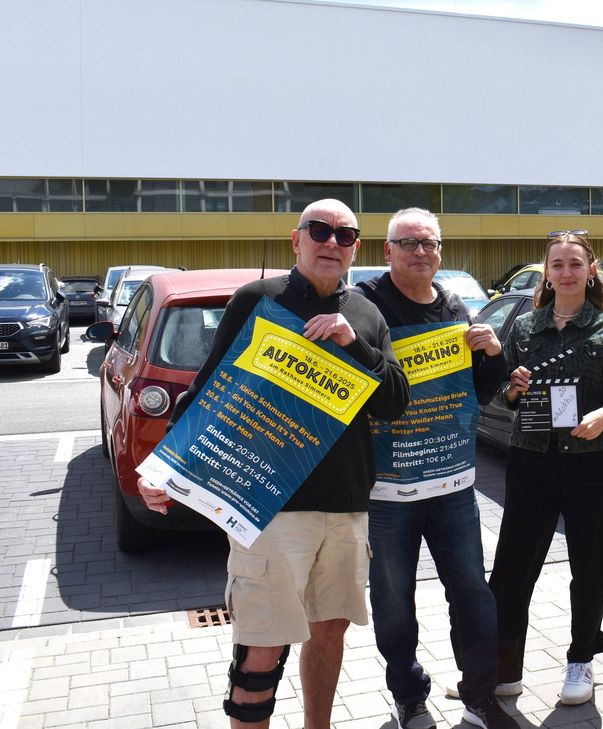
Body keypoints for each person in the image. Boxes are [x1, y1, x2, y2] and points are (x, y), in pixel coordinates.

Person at [136, 199, 410, 729]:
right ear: (296, 239)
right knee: (261, 649)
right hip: (269, 507)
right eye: (319, 230)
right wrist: (161, 470)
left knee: (329, 632)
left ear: (356, 248)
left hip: (347, 507)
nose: (331, 242)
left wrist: (352, 343)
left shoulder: (367, 315)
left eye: (345, 235)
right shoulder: (258, 300)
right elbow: (209, 389)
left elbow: (394, 402)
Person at [355, 208, 517, 729]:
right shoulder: (364, 305)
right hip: (388, 490)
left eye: (429, 243)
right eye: (409, 243)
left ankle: (479, 695)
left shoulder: (453, 306)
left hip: (452, 485)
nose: (420, 252)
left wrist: (493, 354)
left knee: (472, 592)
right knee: (393, 601)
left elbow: (478, 392)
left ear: (440, 251)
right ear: (387, 251)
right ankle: (408, 693)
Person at [488, 231, 603, 706]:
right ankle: (504, 667)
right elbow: (502, 393)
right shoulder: (524, 328)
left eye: (575, 264)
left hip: (591, 465)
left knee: (590, 567)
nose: (567, 272)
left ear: (590, 271)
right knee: (511, 570)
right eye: (558, 264)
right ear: (547, 273)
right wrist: (512, 389)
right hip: (531, 460)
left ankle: (581, 660)